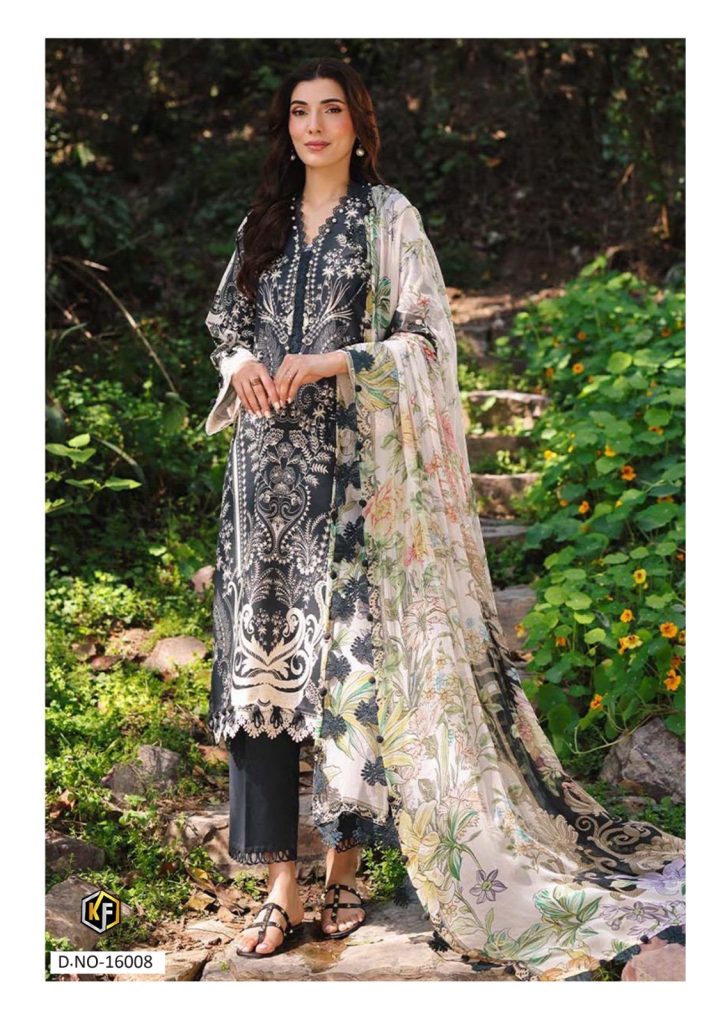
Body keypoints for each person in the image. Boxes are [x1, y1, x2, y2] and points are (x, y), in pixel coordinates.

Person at [203, 57, 686, 979]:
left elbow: (426, 338)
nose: (314, 126)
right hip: (262, 485)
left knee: (348, 678)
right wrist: (240, 365)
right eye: (299, 111)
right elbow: (226, 322)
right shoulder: (260, 222)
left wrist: (334, 361)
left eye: (331, 110)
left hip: (356, 485)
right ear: (285, 127)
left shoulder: (388, 217)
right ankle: (279, 888)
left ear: (358, 123)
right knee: (259, 674)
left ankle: (342, 871)